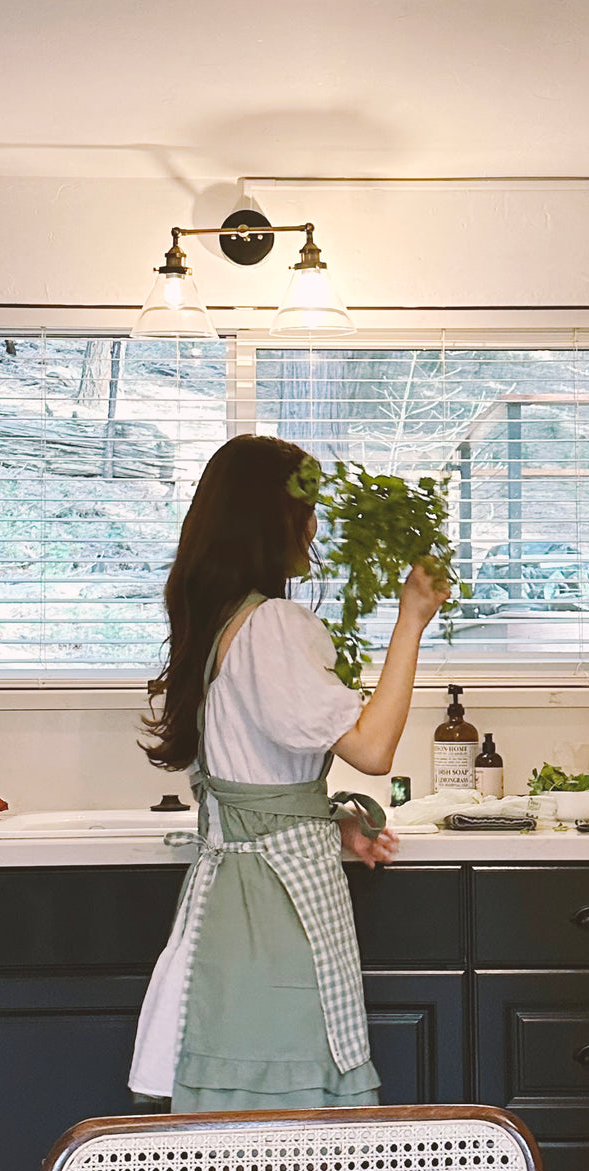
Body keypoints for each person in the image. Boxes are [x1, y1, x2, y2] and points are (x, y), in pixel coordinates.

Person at [129, 434, 449, 1112]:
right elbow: (371, 747)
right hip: (269, 925)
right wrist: (411, 618)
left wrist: (330, 827)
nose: (315, 523)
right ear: (268, 518)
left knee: (243, 1157)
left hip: (240, 909)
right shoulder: (274, 626)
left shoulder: (224, 626)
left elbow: (256, 785)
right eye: (304, 506)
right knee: (288, 1154)